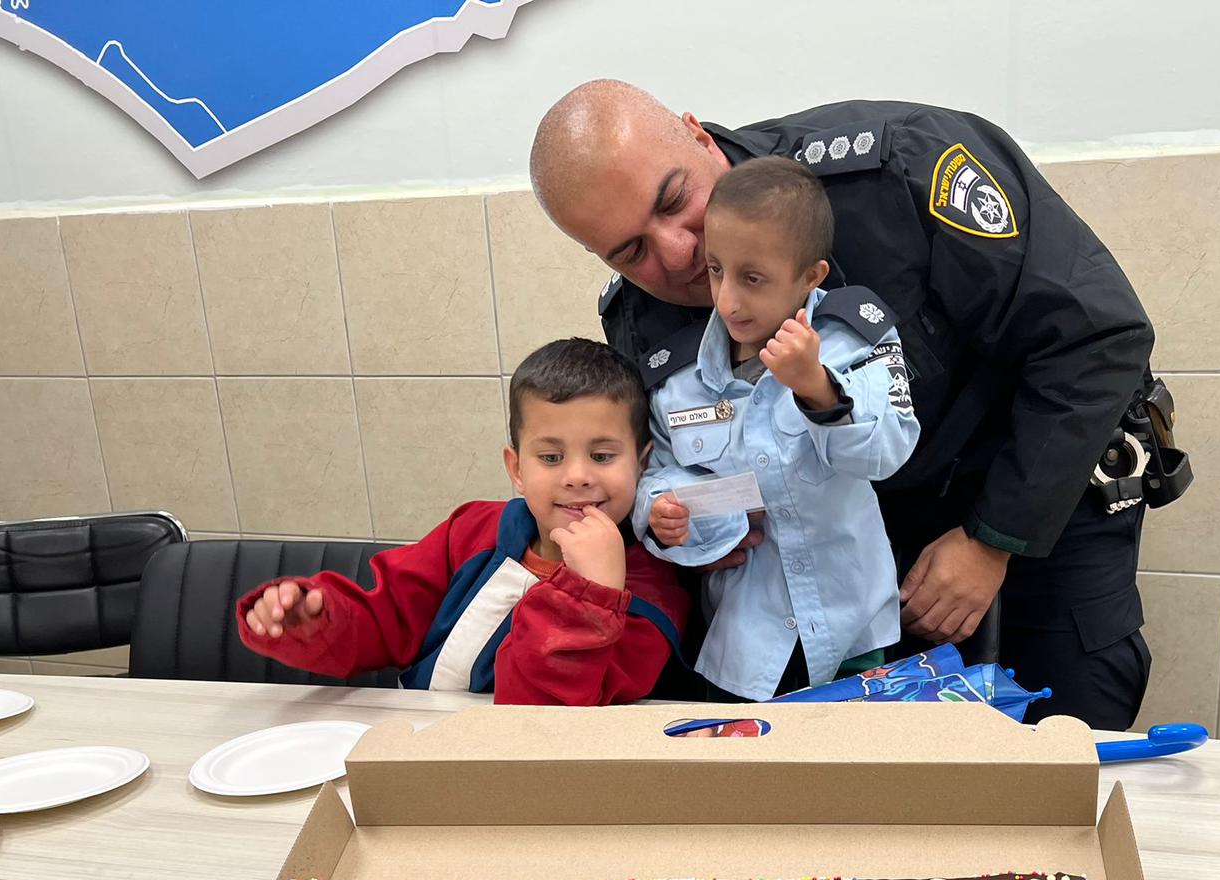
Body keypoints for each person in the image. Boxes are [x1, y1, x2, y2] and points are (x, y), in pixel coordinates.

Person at [530, 81, 1162, 729]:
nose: (678, 253)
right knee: (874, 766)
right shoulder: (640, 319)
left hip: (1034, 496)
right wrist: (693, 532)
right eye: (631, 251)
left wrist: (990, 541)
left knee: (1064, 735)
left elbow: (1095, 337)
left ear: (698, 135)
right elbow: (665, 471)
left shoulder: (896, 171)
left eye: (673, 200)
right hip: (855, 566)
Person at [237, 338, 688, 704]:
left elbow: (539, 721)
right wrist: (315, 621)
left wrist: (590, 596)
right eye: (551, 457)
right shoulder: (473, 531)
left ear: (642, 465)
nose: (577, 477)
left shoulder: (652, 593)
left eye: (602, 456)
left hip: (522, 773)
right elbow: (386, 617)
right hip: (418, 745)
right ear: (516, 469)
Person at [633, 157, 919, 700]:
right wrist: (661, 514)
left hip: (852, 629)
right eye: (716, 270)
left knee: (855, 755)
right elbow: (658, 476)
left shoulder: (855, 342)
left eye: (752, 278)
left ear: (811, 276)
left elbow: (888, 452)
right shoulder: (677, 382)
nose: (728, 300)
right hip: (744, 644)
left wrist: (818, 389)